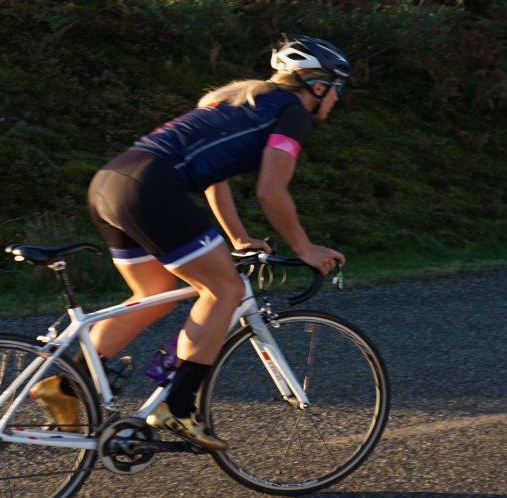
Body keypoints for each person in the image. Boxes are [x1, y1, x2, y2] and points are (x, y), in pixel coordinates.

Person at [33, 34, 350, 450]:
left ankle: (66, 383)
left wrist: (238, 237)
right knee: (225, 289)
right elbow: (272, 191)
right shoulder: (293, 113)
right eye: (339, 88)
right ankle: (178, 408)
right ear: (319, 86)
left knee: (156, 293)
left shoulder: (239, 101)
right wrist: (306, 249)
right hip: (151, 190)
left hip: (112, 183)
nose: (338, 99)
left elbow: (214, 179)